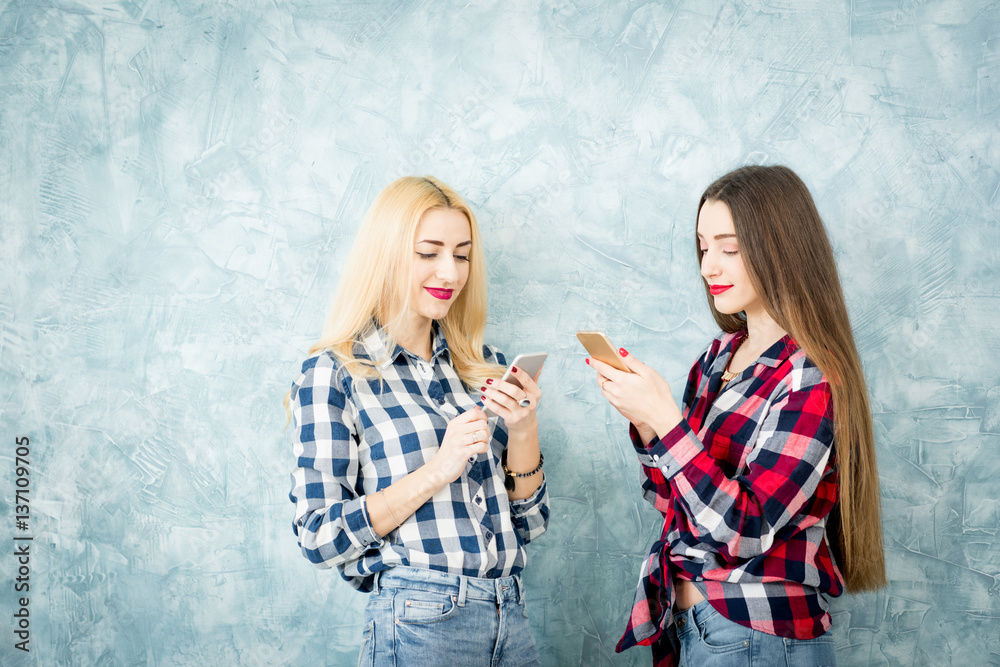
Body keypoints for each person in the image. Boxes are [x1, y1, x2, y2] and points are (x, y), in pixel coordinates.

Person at [585, 165, 886, 666]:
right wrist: (645, 423)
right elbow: (677, 507)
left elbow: (744, 530)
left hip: (758, 636)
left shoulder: (809, 377)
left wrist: (668, 423)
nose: (708, 267)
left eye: (729, 248)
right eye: (704, 247)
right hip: (695, 631)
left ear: (781, 249)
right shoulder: (716, 359)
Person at [286, 176, 548, 666]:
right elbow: (318, 534)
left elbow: (529, 523)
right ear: (386, 256)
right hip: (421, 620)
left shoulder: (482, 366)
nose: (450, 272)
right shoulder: (336, 374)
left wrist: (523, 430)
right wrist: (436, 470)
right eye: (428, 253)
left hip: (509, 614)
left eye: (462, 254)